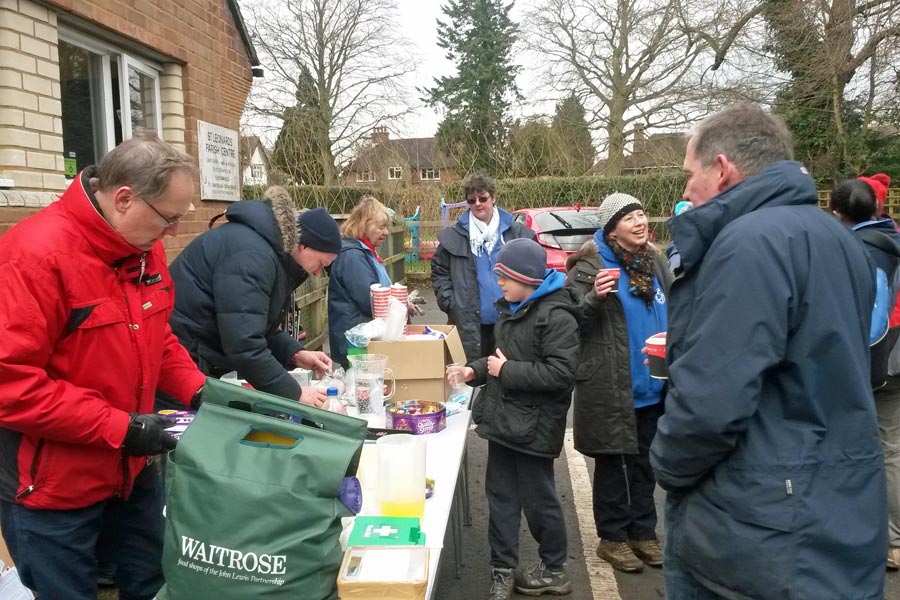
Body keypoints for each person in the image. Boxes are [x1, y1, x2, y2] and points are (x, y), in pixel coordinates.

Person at [649, 103, 886, 597]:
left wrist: (667, 465)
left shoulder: (747, 245)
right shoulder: (838, 238)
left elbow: (713, 400)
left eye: (690, 174)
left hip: (754, 522)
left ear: (722, 168)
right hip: (834, 501)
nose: (686, 189)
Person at [0, 133, 207, 600]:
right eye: (170, 217)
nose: (174, 232)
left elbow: (159, 338)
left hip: (129, 472)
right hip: (53, 488)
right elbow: (11, 385)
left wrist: (200, 391)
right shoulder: (34, 256)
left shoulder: (141, 245)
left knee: (153, 584)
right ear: (124, 199)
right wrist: (123, 428)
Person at [447, 238, 579, 599]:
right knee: (501, 499)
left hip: (536, 429)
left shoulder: (558, 317)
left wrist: (506, 371)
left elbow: (561, 375)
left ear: (527, 278)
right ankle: (502, 571)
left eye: (505, 277)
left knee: (540, 502)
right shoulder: (512, 308)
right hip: (503, 423)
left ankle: (554, 569)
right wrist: (473, 371)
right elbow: (497, 357)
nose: (500, 283)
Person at [564, 193, 671, 573]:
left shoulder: (655, 263)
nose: (641, 222)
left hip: (654, 385)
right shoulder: (587, 269)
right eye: (630, 219)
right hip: (612, 386)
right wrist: (594, 298)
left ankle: (643, 532)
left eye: (642, 214)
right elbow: (571, 324)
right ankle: (612, 538)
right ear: (612, 229)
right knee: (614, 467)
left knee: (645, 465)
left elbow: (676, 307)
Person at [168, 187, 340, 407]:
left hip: (200, 353)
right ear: (303, 245)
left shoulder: (276, 255)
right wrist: (295, 394)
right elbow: (244, 344)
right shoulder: (254, 256)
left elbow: (257, 326)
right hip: (182, 360)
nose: (317, 273)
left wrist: (295, 353)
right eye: (321, 264)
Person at [831, 178, 900, 570]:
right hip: (890, 355)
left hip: (874, 359)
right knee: (891, 446)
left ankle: (876, 539)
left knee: (863, 446)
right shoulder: (891, 238)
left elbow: (870, 323)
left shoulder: (859, 249)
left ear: (838, 213)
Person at [432, 172, 535, 361]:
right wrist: (451, 303)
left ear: (493, 198)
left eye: (483, 198)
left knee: (508, 377)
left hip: (510, 321)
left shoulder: (517, 233)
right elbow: (439, 272)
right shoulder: (452, 237)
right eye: (472, 200)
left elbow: (535, 271)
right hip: (470, 324)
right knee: (472, 379)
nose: (478, 203)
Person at [328, 196, 420, 369]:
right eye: (381, 227)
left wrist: (402, 302)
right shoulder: (353, 257)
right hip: (357, 345)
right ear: (364, 225)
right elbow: (370, 299)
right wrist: (400, 305)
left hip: (364, 340)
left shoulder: (364, 253)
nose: (386, 232)